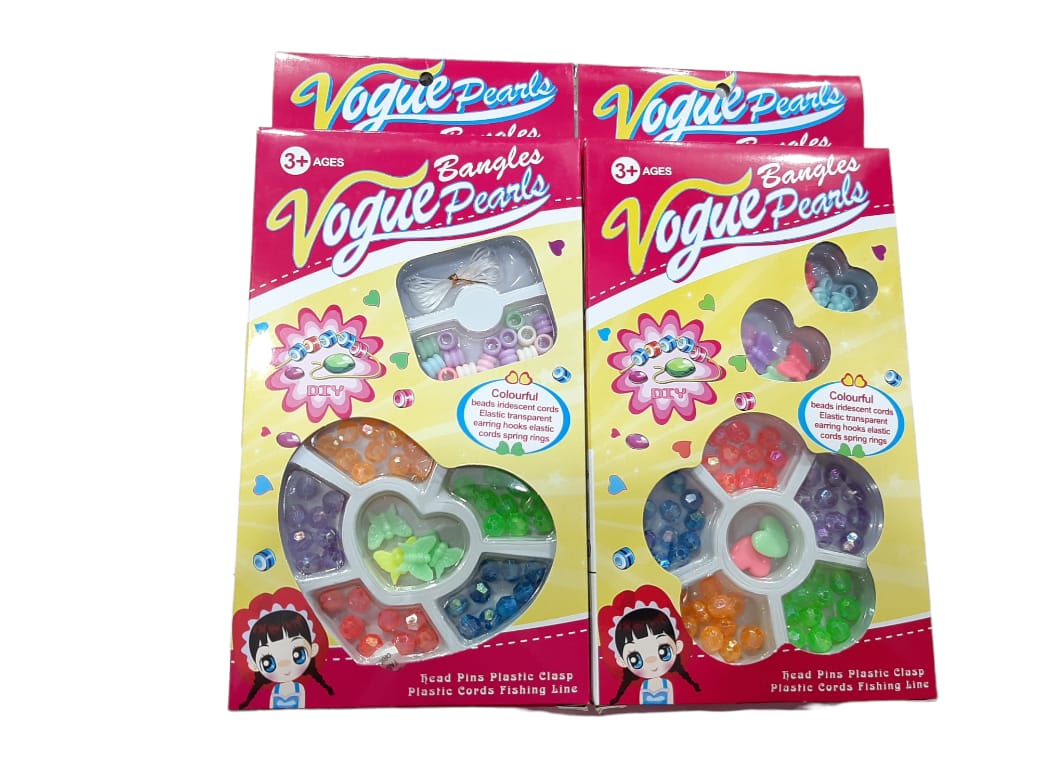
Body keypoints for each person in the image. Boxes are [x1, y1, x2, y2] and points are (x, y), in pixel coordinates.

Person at [236, 590, 334, 709]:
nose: (284, 665)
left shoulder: (299, 689)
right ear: (254, 665)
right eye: (268, 662)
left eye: (298, 654)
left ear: (313, 649)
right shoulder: (276, 690)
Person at [602, 586, 701, 705]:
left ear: (678, 646)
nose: (651, 661)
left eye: (663, 652)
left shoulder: (666, 685)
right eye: (635, 659)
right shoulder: (645, 686)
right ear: (622, 661)